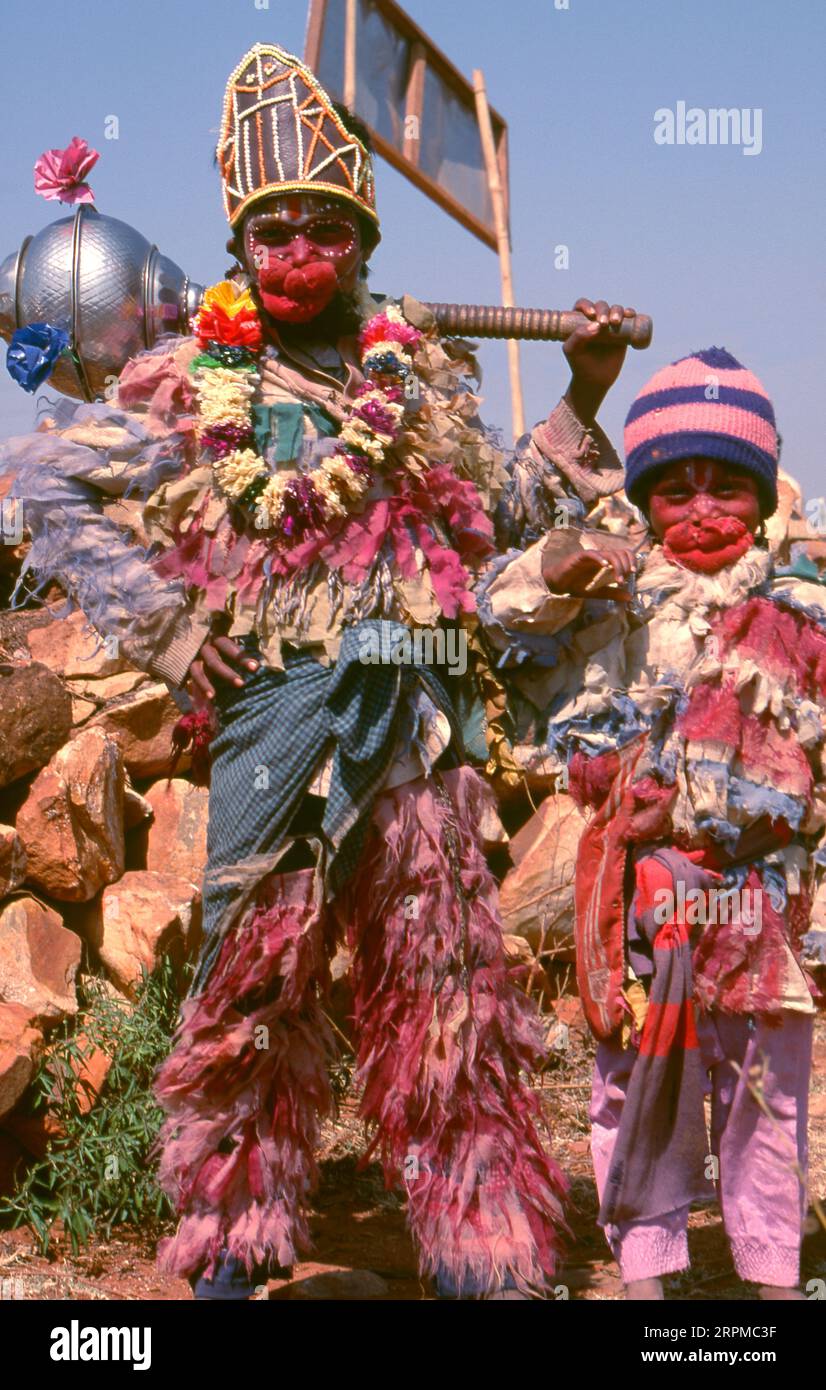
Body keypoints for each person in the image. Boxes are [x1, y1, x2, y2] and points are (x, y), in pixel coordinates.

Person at [0, 43, 578, 1300]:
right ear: (242, 251)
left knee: (447, 988)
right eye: (273, 235)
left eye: (324, 230)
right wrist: (162, 628)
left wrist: (583, 393)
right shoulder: (190, 383)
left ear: (360, 242)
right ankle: (229, 1242)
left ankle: (479, 1245)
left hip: (414, 730)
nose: (298, 255)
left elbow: (518, 500)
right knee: (252, 987)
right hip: (274, 732)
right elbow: (49, 479)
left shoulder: (414, 384)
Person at [479, 333, 826, 1299]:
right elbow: (499, 607)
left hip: (759, 900)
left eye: (729, 485)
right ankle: (646, 1277)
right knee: (637, 1087)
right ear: (643, 500)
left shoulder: (800, 613)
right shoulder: (620, 593)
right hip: (644, 898)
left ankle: (771, 1279)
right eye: (677, 490)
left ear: (763, 494)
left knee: (766, 1092)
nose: (705, 510)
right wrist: (569, 561)